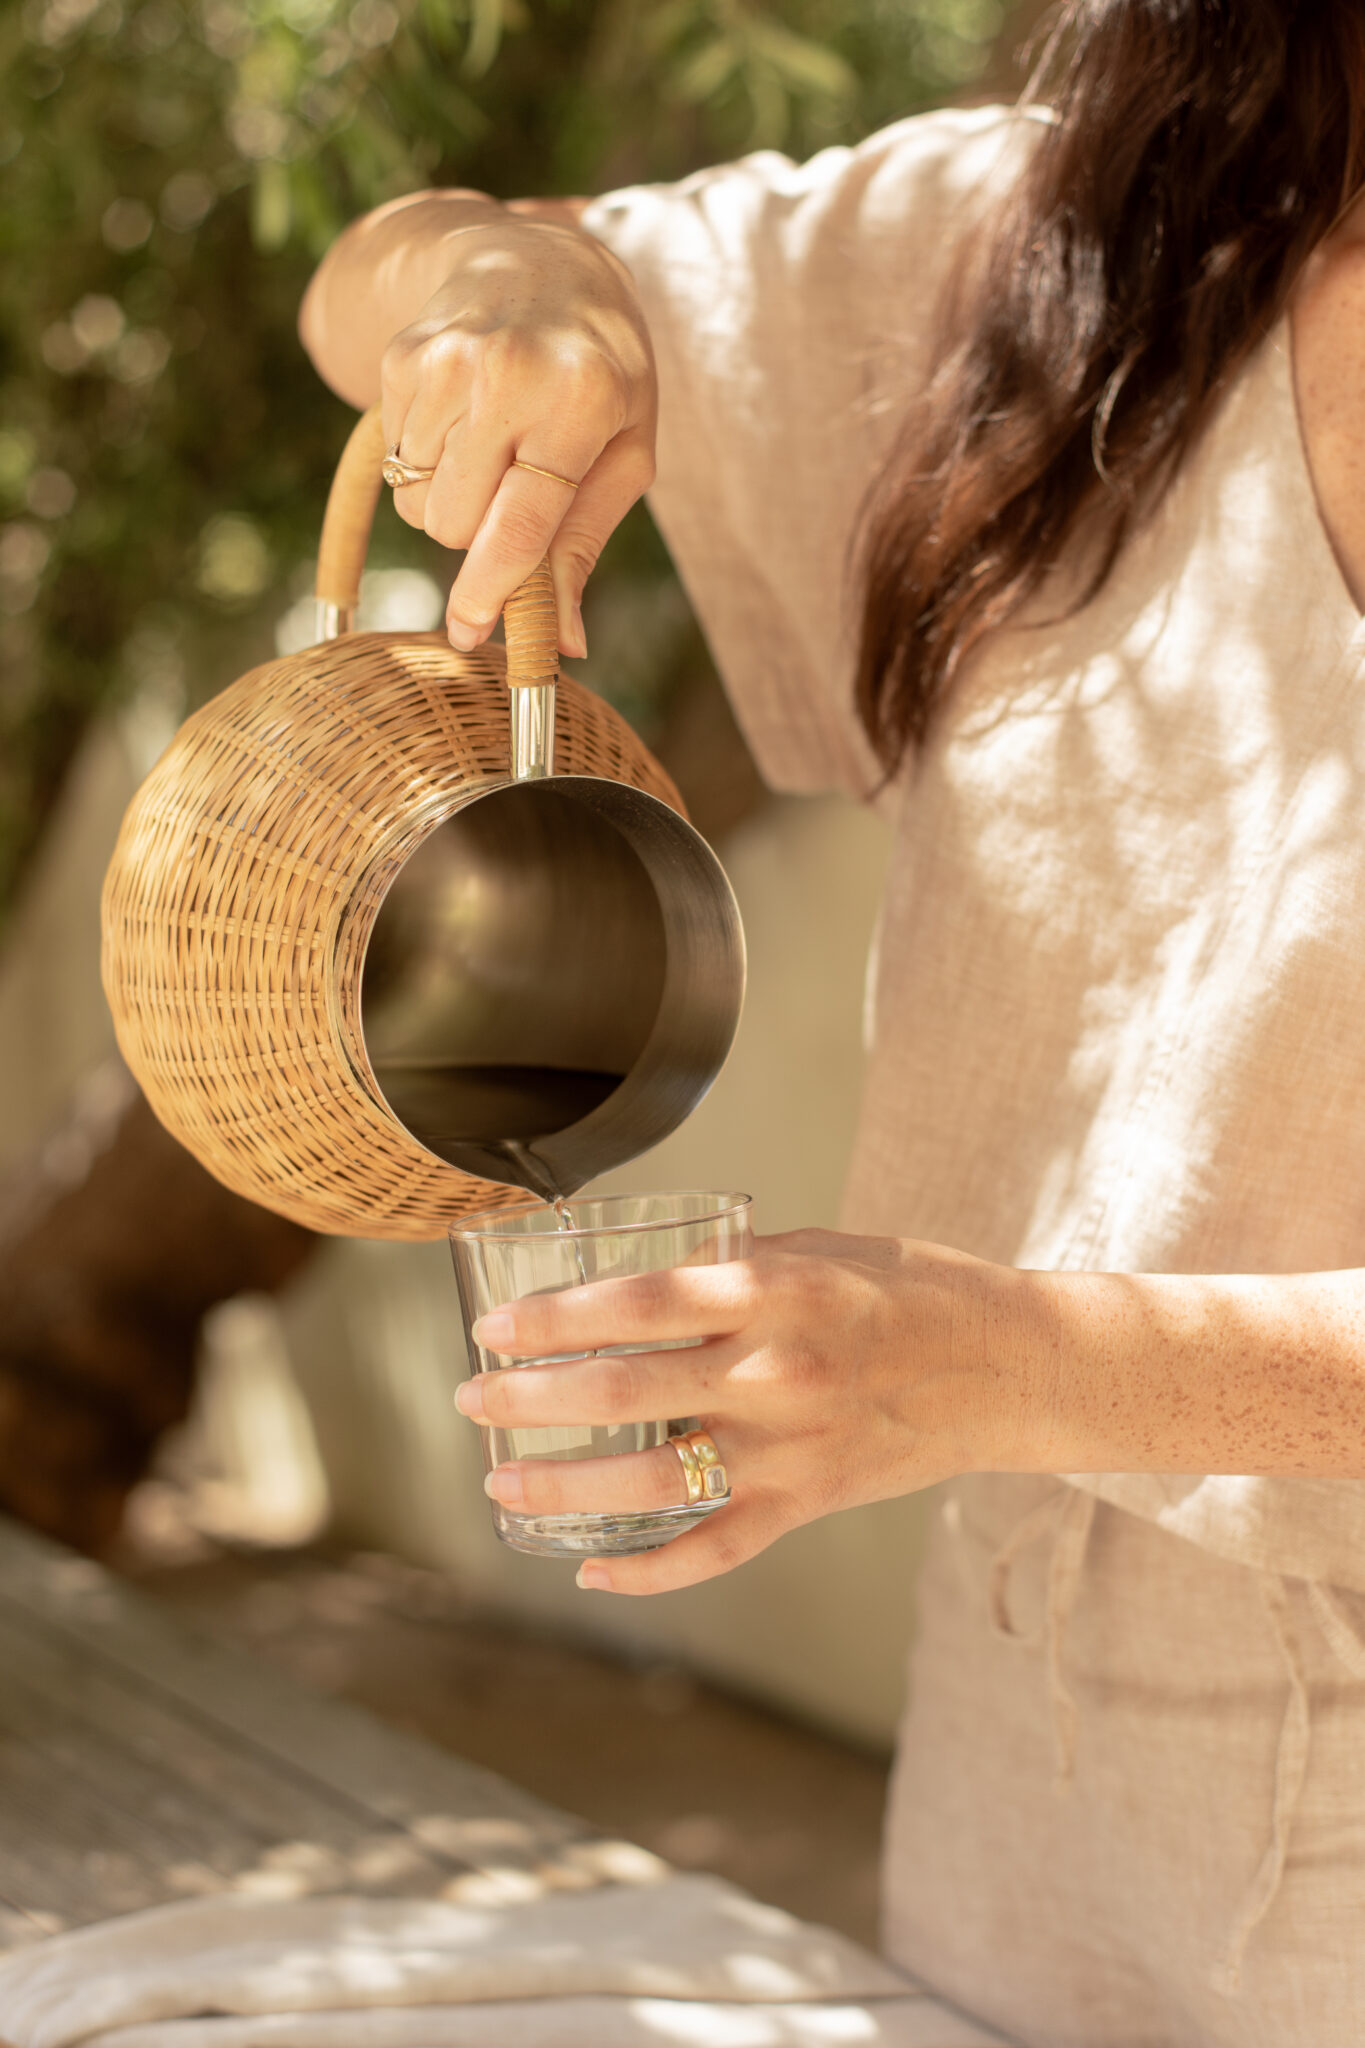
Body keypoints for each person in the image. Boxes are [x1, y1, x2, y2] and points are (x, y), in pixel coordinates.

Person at [300, 2, 1365, 2039]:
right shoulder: (1097, 244)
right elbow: (385, 280)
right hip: (1021, 1801)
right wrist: (516, 305)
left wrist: (994, 1359)